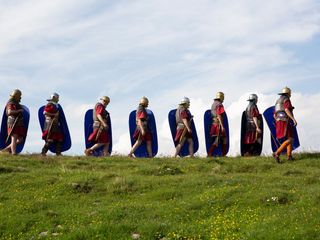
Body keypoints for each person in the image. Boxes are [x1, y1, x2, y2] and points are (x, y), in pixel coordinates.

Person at [273, 87, 297, 162]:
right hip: (285, 121)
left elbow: (274, 114)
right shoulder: (286, 99)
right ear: (288, 93)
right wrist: (293, 119)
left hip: (278, 121)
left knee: (289, 138)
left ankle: (289, 156)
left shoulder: (277, 101)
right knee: (290, 139)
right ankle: (277, 153)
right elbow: (286, 109)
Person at [1, 89, 26, 155]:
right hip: (13, 122)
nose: (20, 97)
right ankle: (13, 153)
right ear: (17, 96)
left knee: (20, 139)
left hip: (18, 122)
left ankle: (5, 150)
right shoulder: (11, 103)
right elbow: (9, 112)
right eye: (19, 96)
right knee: (14, 138)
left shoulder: (16, 104)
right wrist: (18, 111)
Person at [207, 92, 227, 157]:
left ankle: (221, 154)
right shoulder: (219, 104)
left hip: (214, 124)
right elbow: (219, 115)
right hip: (218, 124)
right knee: (218, 140)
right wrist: (222, 126)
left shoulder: (213, 104)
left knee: (221, 139)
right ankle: (210, 154)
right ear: (221, 97)